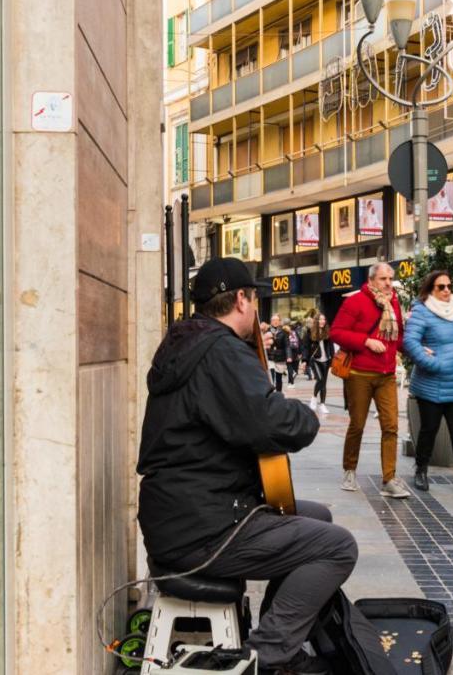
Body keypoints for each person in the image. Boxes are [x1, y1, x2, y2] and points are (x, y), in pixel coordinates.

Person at [137, 257, 353, 675]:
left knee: (317, 517)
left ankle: (279, 639)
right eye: (255, 300)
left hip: (183, 516)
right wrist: (307, 415)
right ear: (240, 299)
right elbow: (272, 422)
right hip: (202, 531)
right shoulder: (220, 351)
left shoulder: (187, 343)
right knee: (338, 545)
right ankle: (264, 657)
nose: (256, 311)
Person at [402, 270, 453, 496]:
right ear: (431, 289)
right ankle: (421, 470)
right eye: (441, 287)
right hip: (431, 385)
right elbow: (410, 342)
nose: (447, 290)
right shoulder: (421, 311)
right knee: (429, 430)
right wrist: (434, 365)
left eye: (449, 286)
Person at [330, 263, 410, 499]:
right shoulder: (355, 302)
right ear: (372, 280)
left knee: (391, 427)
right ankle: (349, 470)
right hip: (359, 374)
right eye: (383, 279)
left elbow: (399, 337)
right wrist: (365, 341)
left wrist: (417, 351)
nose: (388, 283)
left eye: (390, 279)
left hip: (386, 374)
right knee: (357, 424)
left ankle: (389, 479)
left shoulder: (393, 302)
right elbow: (336, 332)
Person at [308, 314, 334, 416]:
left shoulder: (327, 331)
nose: (322, 321)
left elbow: (331, 346)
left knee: (324, 383)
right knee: (320, 379)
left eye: (324, 319)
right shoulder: (310, 331)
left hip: (326, 360)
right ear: (316, 321)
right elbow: (305, 346)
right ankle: (314, 398)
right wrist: (305, 360)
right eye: (320, 319)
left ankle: (322, 404)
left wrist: (332, 358)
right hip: (315, 360)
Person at [267, 314, 289, 393]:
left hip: (280, 357)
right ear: (271, 322)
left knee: (279, 377)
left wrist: (289, 356)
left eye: (277, 320)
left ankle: (279, 393)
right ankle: (271, 392)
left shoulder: (283, 332)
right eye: (273, 320)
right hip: (270, 356)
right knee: (271, 374)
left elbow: (287, 345)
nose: (275, 322)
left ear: (279, 322)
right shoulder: (267, 331)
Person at [286, 321, 302, 388]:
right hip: (295, 352)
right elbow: (300, 342)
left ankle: (291, 382)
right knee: (294, 369)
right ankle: (291, 382)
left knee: (290, 368)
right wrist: (300, 353)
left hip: (289, 352)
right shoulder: (296, 333)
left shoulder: (286, 333)